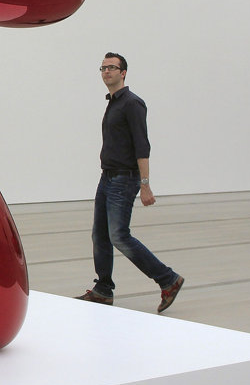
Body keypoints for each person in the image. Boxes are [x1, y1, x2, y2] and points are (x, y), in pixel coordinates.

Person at [76, 52, 184, 313]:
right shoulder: (113, 102)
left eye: (112, 67)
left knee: (119, 236)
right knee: (100, 234)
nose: (106, 72)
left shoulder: (133, 104)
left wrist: (145, 184)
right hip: (107, 177)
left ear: (123, 72)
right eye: (103, 68)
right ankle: (103, 289)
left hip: (124, 179)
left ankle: (168, 279)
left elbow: (142, 146)